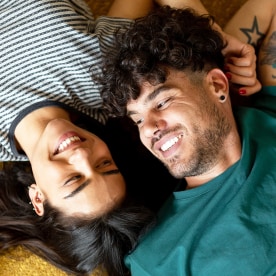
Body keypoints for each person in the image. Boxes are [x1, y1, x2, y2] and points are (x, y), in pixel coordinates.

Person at [0, 0, 263, 275]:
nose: (81, 155)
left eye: (73, 179)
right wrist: (216, 37)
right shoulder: (107, 77)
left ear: (37, 198)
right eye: (104, 165)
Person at [100, 0, 276, 274]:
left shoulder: (267, 115)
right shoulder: (156, 258)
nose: (148, 129)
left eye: (161, 103)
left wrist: (218, 38)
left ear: (218, 85)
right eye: (137, 119)